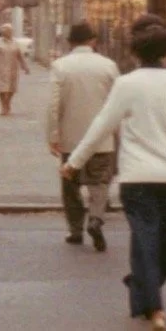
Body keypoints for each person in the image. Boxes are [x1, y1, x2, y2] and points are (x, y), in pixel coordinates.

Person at [61, 14, 166, 331]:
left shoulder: (128, 85)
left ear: (135, 53)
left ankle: (141, 287)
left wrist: (74, 162)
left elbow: (101, 126)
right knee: (160, 243)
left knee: (147, 241)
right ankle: (155, 308)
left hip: (138, 179)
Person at [47, 21, 120, 250]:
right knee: (100, 182)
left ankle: (75, 229)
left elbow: (53, 104)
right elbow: (118, 101)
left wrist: (53, 134)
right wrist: (117, 130)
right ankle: (96, 218)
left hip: (71, 137)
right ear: (93, 40)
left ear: (70, 42)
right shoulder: (109, 66)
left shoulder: (60, 66)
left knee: (70, 186)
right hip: (102, 139)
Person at [0, 23, 30, 116]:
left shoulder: (15, 42)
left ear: (11, 32)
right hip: (1, 68)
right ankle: (4, 105)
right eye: (4, 31)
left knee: (12, 88)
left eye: (8, 31)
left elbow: (20, 56)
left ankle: (8, 102)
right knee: (2, 88)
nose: (6, 32)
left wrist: (25, 67)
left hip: (13, 68)